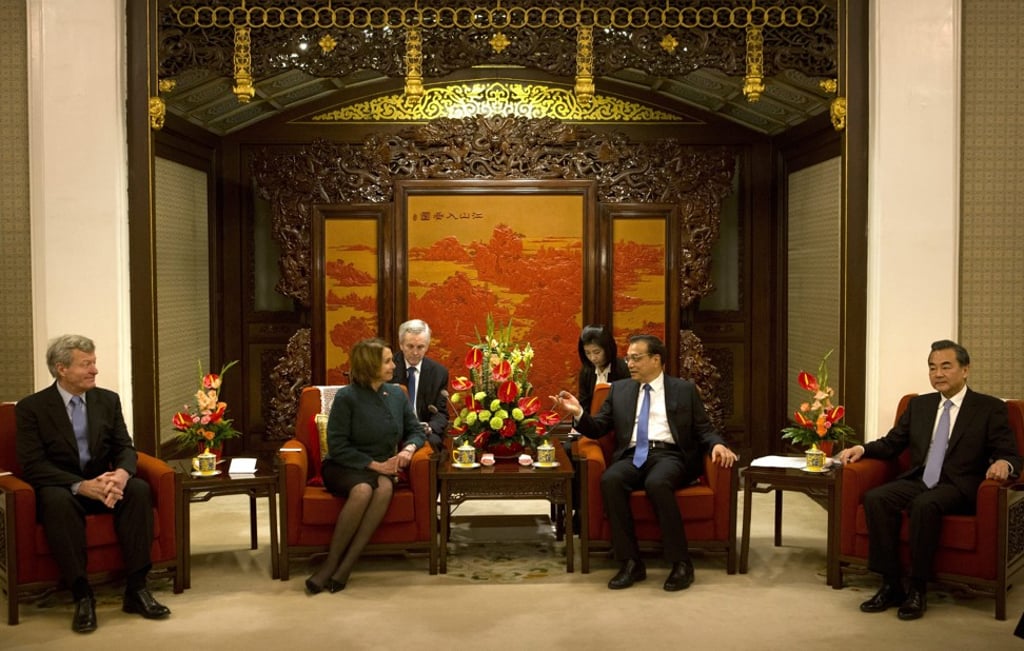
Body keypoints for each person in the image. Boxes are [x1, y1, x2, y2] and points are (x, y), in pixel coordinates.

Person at [837, 340, 1020, 620]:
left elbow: (1010, 453)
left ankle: (918, 588)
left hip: (959, 485)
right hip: (920, 478)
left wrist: (1003, 464)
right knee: (876, 498)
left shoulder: (989, 408)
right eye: (932, 368)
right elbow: (892, 443)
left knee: (925, 504)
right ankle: (891, 583)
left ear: (965, 370)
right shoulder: (919, 405)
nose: (938, 374)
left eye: (946, 367)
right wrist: (861, 449)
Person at [551, 334, 737, 591]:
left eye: (636, 358)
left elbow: (704, 428)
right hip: (632, 455)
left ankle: (681, 563)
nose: (630, 364)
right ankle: (631, 562)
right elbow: (597, 428)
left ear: (656, 359)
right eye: (628, 358)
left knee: (657, 483)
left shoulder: (683, 390)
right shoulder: (619, 390)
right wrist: (579, 413)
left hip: (669, 455)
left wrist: (717, 444)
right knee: (611, 480)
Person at [15, 334, 171, 633]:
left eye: (94, 363)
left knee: (138, 489)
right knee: (56, 501)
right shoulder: (31, 408)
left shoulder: (107, 400)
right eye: (86, 364)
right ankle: (82, 594)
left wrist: (122, 475)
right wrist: (80, 485)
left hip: (104, 482)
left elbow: (124, 447)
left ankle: (136, 589)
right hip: (62, 486)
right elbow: (33, 464)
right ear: (62, 369)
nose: (95, 370)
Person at [306, 337, 426, 594]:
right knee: (362, 490)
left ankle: (347, 564)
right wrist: (375, 465)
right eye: (387, 361)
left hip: (382, 467)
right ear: (370, 365)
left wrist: (407, 449)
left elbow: (416, 431)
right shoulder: (347, 397)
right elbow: (337, 446)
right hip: (344, 465)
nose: (394, 365)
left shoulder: (396, 394)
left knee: (383, 488)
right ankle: (330, 564)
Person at [392, 319, 449, 451]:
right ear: (401, 345)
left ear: (427, 346)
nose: (415, 352)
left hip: (425, 432)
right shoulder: (388, 367)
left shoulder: (439, 373)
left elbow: (441, 412)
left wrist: (429, 427)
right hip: (394, 431)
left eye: (420, 347)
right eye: (410, 346)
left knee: (434, 443)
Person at [577, 324, 629, 414]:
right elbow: (583, 405)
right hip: (593, 424)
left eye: (597, 352)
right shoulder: (586, 371)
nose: (592, 358)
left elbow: (627, 405)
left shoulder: (623, 369)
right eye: (587, 353)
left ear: (608, 349)